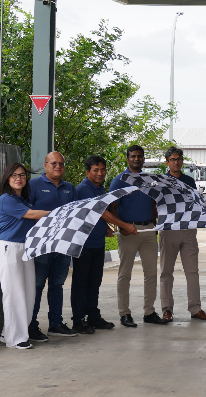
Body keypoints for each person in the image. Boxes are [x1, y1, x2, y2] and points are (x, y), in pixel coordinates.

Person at [72, 156, 138, 334]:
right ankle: (78, 320)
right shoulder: (84, 189)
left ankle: (93, 316)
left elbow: (96, 217)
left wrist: (107, 228)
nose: (100, 173)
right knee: (81, 283)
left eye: (102, 169)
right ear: (87, 172)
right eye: (95, 170)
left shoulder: (99, 188)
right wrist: (124, 225)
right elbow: (101, 212)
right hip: (83, 244)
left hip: (97, 243)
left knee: (94, 282)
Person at [109, 145, 169, 327]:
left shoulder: (148, 179)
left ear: (143, 159)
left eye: (140, 156)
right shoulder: (119, 181)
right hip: (128, 232)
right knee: (125, 274)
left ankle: (149, 312)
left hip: (149, 230)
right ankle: (124, 314)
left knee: (151, 273)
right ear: (127, 159)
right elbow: (112, 207)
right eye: (133, 156)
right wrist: (121, 226)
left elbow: (153, 203)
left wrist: (155, 224)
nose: (137, 159)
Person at [0, 164, 51, 349]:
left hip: (26, 248)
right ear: (7, 179)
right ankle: (16, 339)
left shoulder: (23, 200)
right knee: (14, 294)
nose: (18, 178)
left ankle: (8, 332)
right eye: (14, 175)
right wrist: (56, 214)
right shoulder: (6, 199)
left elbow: (34, 217)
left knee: (28, 293)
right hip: (9, 248)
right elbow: (32, 215)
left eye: (22, 175)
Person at [160, 146, 206, 323]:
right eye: (173, 159)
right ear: (167, 162)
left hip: (189, 230)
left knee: (192, 271)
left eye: (179, 159)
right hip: (169, 230)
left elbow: (195, 203)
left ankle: (195, 309)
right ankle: (167, 310)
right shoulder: (162, 181)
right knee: (166, 272)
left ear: (182, 161)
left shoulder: (189, 181)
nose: (176, 162)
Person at [28, 152, 77, 341]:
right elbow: (28, 213)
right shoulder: (33, 186)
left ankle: (56, 324)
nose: (58, 166)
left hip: (63, 245)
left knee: (57, 285)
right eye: (54, 163)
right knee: (37, 285)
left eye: (61, 164)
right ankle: (31, 325)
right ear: (45, 165)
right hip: (41, 245)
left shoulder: (69, 188)